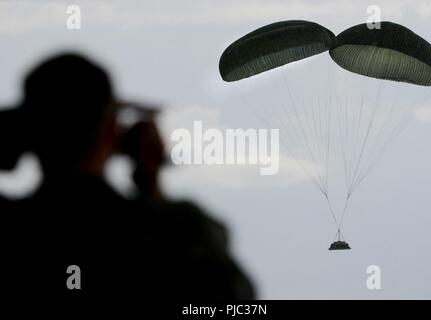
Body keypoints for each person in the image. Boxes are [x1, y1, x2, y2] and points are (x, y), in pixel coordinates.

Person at [0, 52, 254, 301]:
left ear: (28, 131)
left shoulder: (14, 227)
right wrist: (152, 189)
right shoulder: (174, 233)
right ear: (112, 131)